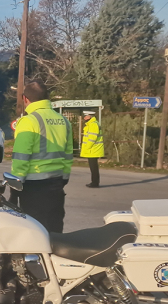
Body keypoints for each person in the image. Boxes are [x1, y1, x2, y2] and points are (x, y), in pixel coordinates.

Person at [10, 80, 73, 233]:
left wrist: (14, 185)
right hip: (57, 184)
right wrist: (64, 177)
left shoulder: (28, 121)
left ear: (26, 99)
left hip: (34, 185)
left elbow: (21, 157)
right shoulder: (64, 121)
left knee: (35, 232)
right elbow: (68, 154)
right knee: (55, 229)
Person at [81, 111, 104, 188]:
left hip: (93, 149)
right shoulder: (91, 124)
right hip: (93, 149)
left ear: (89, 116)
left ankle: (95, 183)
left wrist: (87, 147)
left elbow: (92, 138)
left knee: (93, 167)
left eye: (85, 116)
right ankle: (94, 182)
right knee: (93, 167)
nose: (84, 117)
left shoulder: (93, 124)